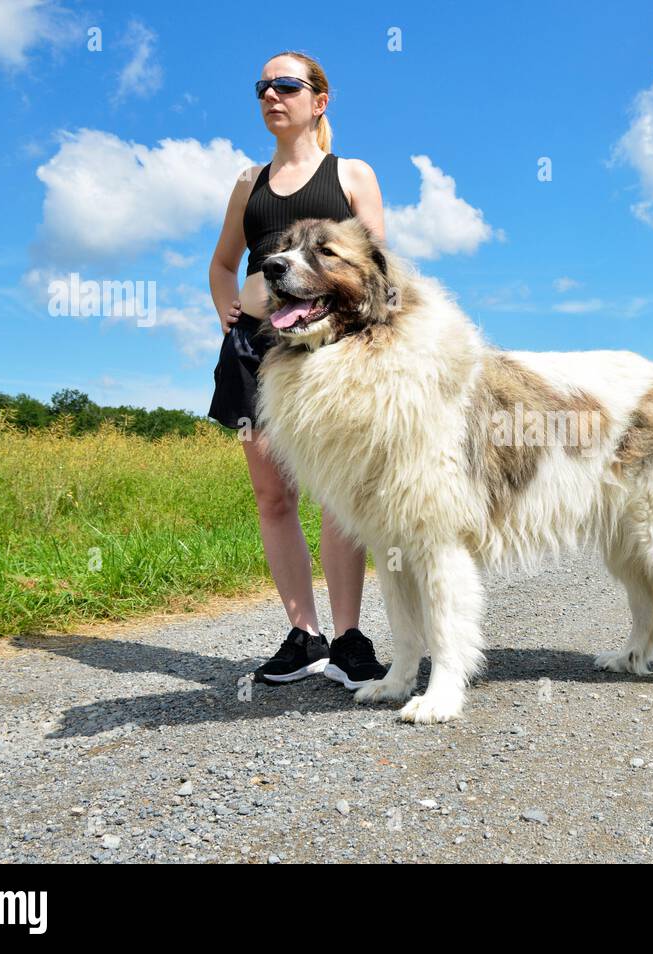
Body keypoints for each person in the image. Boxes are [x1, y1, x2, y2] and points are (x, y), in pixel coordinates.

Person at [207, 50, 388, 689]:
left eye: (286, 84)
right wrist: (229, 310)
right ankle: (303, 635)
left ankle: (347, 639)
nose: (271, 95)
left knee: (340, 496)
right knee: (272, 496)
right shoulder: (247, 183)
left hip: (333, 361)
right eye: (262, 86)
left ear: (320, 100)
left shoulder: (352, 175)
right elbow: (223, 263)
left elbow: (372, 273)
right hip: (256, 359)